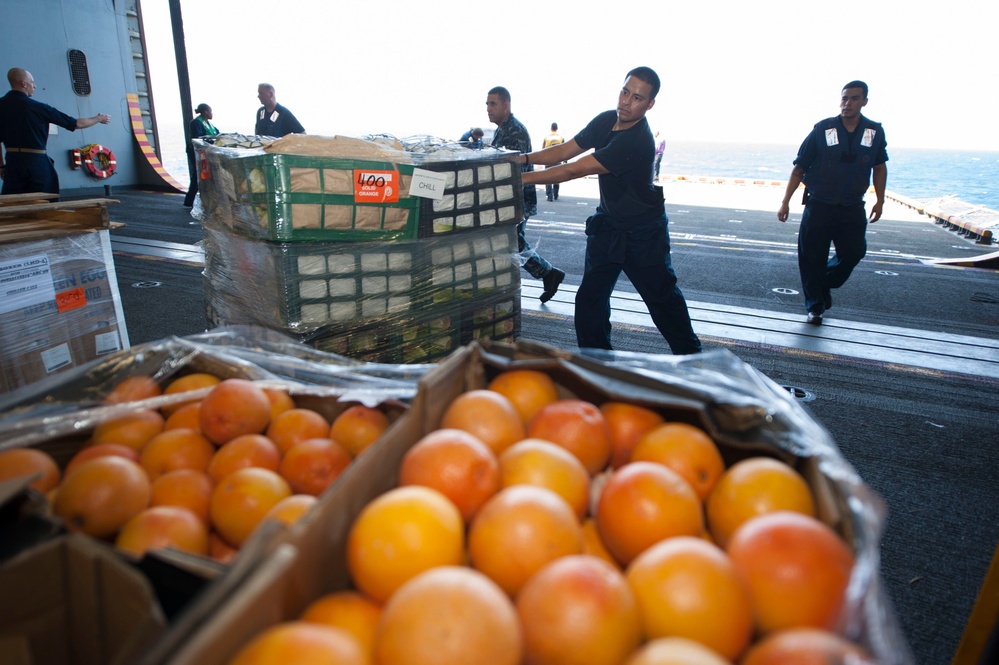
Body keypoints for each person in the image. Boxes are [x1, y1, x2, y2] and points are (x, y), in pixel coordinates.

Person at [519, 67, 701, 355]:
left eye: (637, 98)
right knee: (590, 302)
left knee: (663, 302)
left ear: (649, 104)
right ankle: (598, 367)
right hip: (609, 227)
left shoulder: (637, 140)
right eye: (625, 91)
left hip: (643, 234)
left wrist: (516, 178)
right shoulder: (606, 120)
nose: (626, 101)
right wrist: (522, 159)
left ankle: (693, 360)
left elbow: (572, 170)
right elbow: (565, 152)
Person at [777, 80, 888, 325]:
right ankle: (815, 306)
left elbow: (879, 168)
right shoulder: (823, 129)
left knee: (854, 252)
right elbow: (799, 168)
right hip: (819, 205)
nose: (847, 104)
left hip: (852, 206)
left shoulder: (874, 132)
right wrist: (786, 201)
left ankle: (823, 281)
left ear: (864, 102)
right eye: (844, 98)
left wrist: (879, 200)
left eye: (854, 99)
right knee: (811, 257)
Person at [486, 86, 565, 303]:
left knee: (512, 241)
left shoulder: (515, 131)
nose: (488, 109)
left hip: (516, 199)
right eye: (487, 104)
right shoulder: (503, 129)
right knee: (513, 241)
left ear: (506, 105)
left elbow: (514, 170)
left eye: (493, 104)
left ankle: (548, 274)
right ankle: (547, 275)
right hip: (508, 199)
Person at [0, 67, 110, 197]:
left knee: (13, 206)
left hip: (12, 164)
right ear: (24, 84)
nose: (34, 86)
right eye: (32, 82)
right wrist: (99, 118)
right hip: (37, 164)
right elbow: (76, 124)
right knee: (45, 203)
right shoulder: (39, 108)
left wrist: (2, 167)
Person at [184, 103, 220, 207]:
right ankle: (189, 200)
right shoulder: (196, 122)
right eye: (210, 111)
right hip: (195, 152)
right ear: (205, 112)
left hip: (205, 152)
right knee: (198, 174)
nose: (212, 113)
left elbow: (217, 133)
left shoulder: (209, 124)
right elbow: (197, 138)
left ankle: (201, 199)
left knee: (203, 174)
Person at [542, 122, 564, 201]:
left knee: (547, 177)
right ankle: (555, 194)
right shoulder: (560, 138)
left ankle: (549, 196)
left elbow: (543, 149)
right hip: (557, 159)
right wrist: (565, 161)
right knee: (557, 177)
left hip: (548, 159)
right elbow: (564, 149)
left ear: (551, 128)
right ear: (557, 128)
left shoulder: (546, 137)